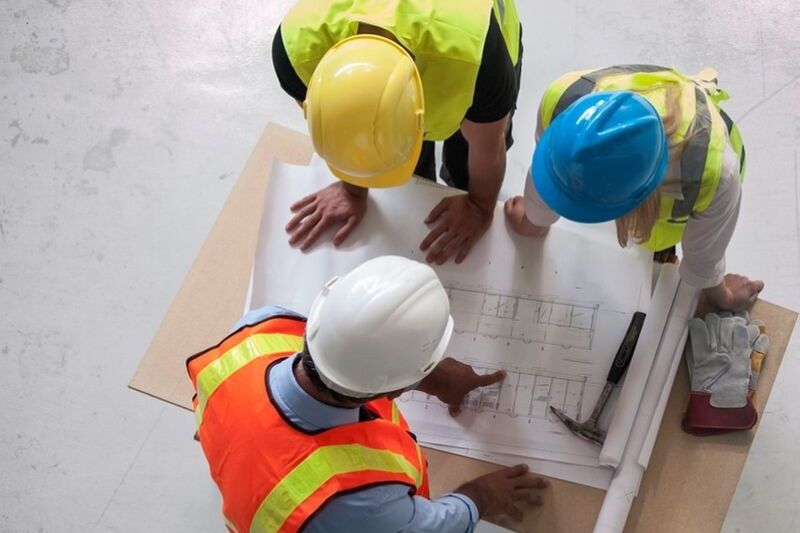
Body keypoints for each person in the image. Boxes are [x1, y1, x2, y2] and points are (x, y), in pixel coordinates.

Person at [188, 256, 548, 533]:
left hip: (243, 460)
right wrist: (481, 496)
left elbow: (343, 356)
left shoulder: (261, 328)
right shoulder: (356, 502)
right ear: (395, 389)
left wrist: (425, 375)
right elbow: (430, 527)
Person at [272, 0, 522, 264]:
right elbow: (349, 129)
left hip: (473, 40)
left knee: (465, 161)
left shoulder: (480, 61)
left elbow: (487, 147)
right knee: (406, 170)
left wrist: (478, 208)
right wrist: (352, 189)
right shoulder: (295, 52)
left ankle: (457, 183)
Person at [504, 65, 764, 311]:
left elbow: (703, 258)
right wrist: (534, 221)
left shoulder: (714, 176)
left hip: (681, 198)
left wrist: (725, 298)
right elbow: (552, 167)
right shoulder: (563, 98)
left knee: (654, 252)